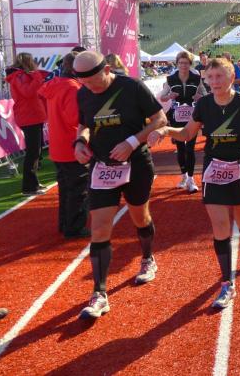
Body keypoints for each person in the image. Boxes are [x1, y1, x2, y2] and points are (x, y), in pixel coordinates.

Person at [148, 57, 240, 309]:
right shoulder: (203, 104)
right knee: (220, 226)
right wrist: (165, 130)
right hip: (214, 169)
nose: (215, 82)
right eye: (210, 78)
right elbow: (187, 133)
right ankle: (227, 284)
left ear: (231, 77)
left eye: (219, 76)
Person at [72, 50, 167, 319]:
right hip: (102, 166)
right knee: (100, 226)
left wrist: (132, 142)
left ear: (106, 70)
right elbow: (84, 125)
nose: (90, 88)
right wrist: (80, 142)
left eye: (93, 81)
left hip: (136, 164)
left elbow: (160, 119)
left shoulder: (132, 87)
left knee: (140, 216)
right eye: (83, 83)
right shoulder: (83, 93)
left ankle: (147, 258)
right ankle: (99, 293)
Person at [39, 52, 90, 238]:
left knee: (66, 188)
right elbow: (76, 119)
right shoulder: (72, 88)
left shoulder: (54, 84)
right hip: (72, 145)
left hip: (58, 145)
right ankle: (74, 227)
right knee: (78, 189)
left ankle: (65, 223)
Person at [159, 51, 205, 193]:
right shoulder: (170, 79)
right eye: (180, 63)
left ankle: (191, 179)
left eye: (185, 63)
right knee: (180, 147)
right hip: (176, 117)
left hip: (192, 117)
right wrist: (169, 96)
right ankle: (184, 175)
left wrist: (200, 96)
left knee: (190, 148)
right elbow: (162, 97)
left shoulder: (196, 78)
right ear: (177, 64)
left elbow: (205, 94)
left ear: (190, 64)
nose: (183, 66)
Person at [5, 52, 48, 196]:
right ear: (28, 62)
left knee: (36, 152)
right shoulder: (19, 76)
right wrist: (37, 77)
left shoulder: (22, 76)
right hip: (29, 117)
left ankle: (33, 183)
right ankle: (29, 187)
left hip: (32, 116)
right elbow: (28, 92)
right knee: (33, 152)